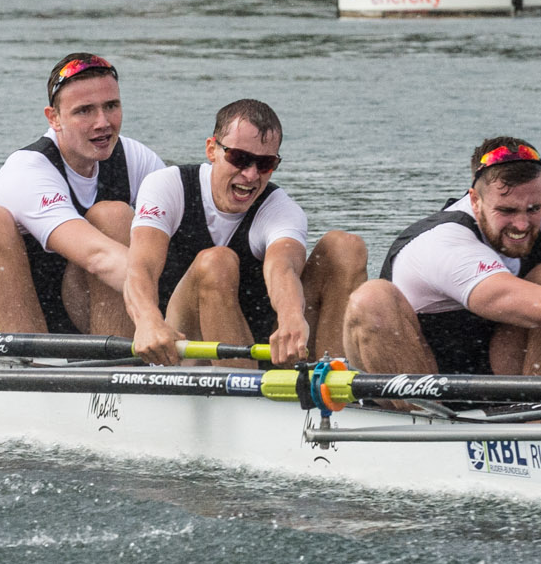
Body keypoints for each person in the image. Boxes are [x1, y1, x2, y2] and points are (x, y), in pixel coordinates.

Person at [124, 98, 367, 365]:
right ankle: (245, 391)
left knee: (345, 247)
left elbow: (282, 270)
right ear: (212, 150)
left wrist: (291, 317)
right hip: (179, 345)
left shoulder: (281, 210)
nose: (251, 175)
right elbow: (141, 267)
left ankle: (330, 380)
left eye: (265, 164)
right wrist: (147, 320)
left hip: (258, 347)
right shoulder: (167, 186)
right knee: (217, 261)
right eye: (240, 159)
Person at [343, 137, 541, 376]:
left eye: (533, 208)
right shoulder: (444, 242)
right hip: (420, 372)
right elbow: (535, 303)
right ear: (475, 201)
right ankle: (424, 419)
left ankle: (540, 417)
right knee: (372, 298)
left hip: (499, 367)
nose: (522, 224)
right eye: (507, 210)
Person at [0, 52, 166, 335]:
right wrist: (152, 311)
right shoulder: (28, 168)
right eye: (84, 111)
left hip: (69, 309)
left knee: (114, 216)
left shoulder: (135, 157)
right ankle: (32, 364)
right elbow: (96, 257)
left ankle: (114, 364)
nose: (102, 122)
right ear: (54, 118)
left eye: (111, 106)